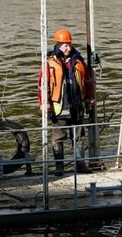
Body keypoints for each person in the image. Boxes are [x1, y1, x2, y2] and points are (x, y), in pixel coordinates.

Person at [38, 28, 94, 176]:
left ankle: (80, 165)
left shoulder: (79, 61)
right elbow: (42, 85)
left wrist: (90, 101)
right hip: (59, 107)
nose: (68, 48)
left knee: (78, 136)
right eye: (65, 45)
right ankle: (59, 167)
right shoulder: (49, 63)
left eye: (69, 45)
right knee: (58, 137)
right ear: (58, 45)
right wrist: (45, 104)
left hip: (77, 106)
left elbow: (88, 82)